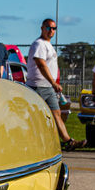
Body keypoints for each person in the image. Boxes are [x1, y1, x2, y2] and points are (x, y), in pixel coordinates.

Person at [26, 18, 82, 150]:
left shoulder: (48, 45)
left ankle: (68, 141)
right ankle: (33, 142)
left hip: (48, 87)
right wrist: (52, 82)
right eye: (48, 28)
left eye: (53, 28)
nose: (51, 31)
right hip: (37, 86)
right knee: (36, 117)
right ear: (42, 28)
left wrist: (53, 83)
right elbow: (41, 64)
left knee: (57, 114)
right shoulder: (39, 44)